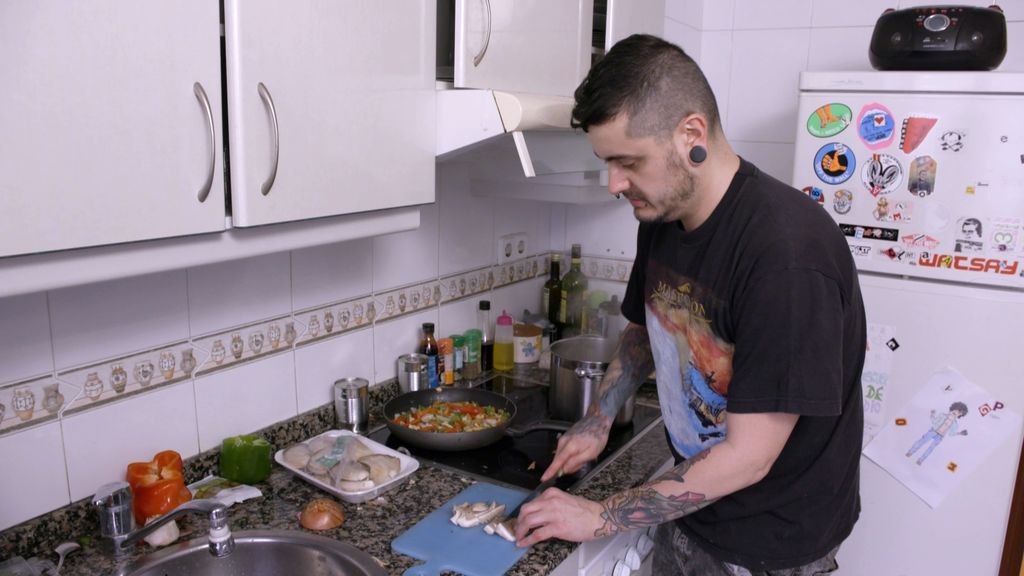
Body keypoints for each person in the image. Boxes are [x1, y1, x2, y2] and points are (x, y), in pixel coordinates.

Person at [512, 34, 866, 575]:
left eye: (628, 162)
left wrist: (600, 516)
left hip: (771, 542)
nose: (613, 184)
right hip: (694, 504)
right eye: (607, 162)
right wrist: (598, 419)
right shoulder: (663, 215)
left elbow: (749, 457)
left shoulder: (787, 256)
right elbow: (646, 326)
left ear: (691, 135)